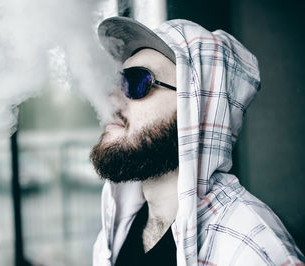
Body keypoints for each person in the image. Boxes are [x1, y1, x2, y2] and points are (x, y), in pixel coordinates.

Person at [90, 16, 305, 266]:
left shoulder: (252, 251)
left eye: (137, 82)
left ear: (197, 108)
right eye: (117, 81)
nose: (111, 98)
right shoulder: (117, 229)